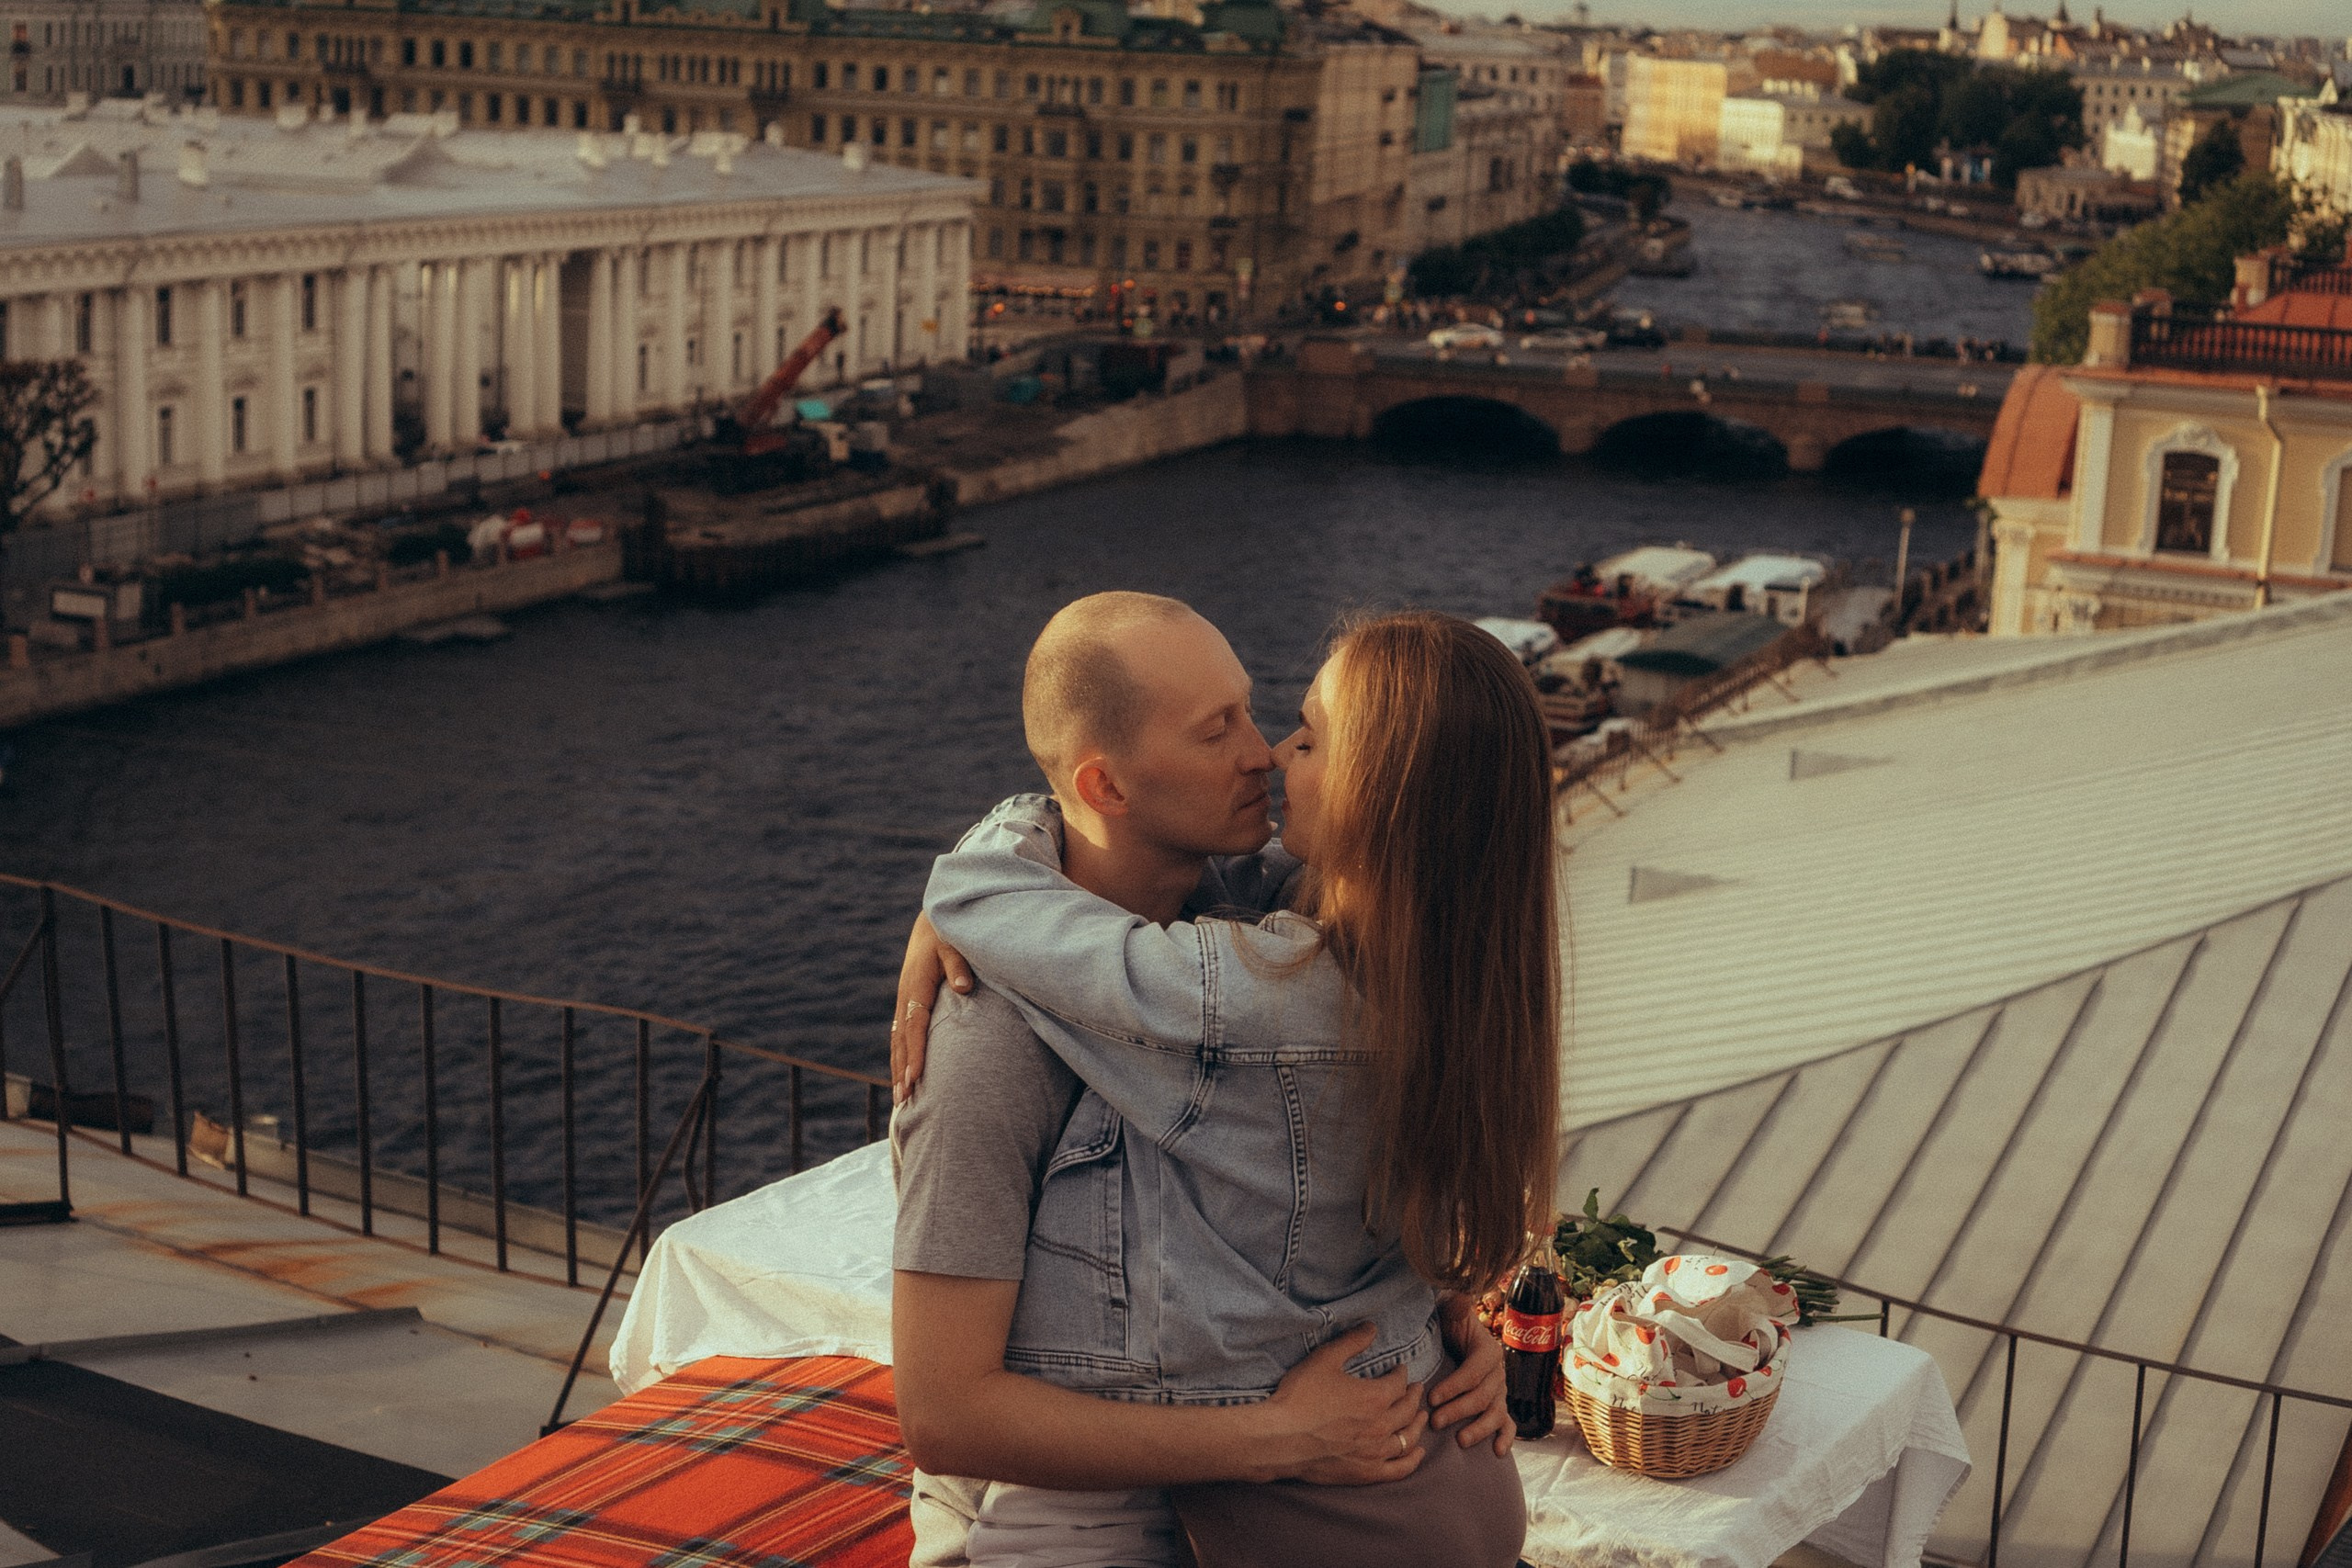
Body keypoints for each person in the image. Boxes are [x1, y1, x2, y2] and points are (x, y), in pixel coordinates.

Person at [893, 594, 1558, 1567]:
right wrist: (1287, 1431)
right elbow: (946, 1414)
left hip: (1292, 1501)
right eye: (1222, 729)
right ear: (1108, 786)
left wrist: (1436, 1323)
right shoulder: (989, 1031)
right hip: (1071, 1516)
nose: (1264, 753)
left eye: (1282, 725)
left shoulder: (1264, 950)